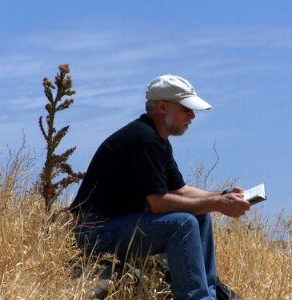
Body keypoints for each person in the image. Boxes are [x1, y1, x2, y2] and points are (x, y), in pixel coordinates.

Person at [69, 74, 250, 300]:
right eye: (187, 109)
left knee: (200, 215)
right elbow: (158, 203)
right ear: (163, 107)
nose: (192, 115)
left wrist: (222, 196)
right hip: (93, 232)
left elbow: (180, 190)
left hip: (114, 224)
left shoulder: (156, 139)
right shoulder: (144, 139)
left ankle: (210, 292)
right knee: (183, 224)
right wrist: (217, 203)